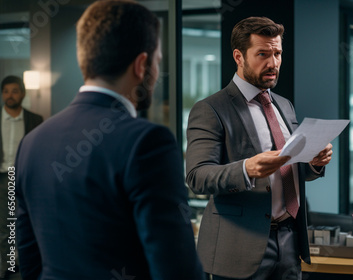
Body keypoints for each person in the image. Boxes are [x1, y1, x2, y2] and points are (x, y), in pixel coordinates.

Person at [14, 1, 204, 279]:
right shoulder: (148, 142)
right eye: (157, 61)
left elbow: (28, 255)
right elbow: (176, 268)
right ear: (141, 65)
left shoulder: (32, 142)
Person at [186, 16, 333, 279]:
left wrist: (314, 162)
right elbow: (197, 177)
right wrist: (247, 169)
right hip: (239, 248)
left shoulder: (285, 105)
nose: (273, 63)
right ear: (239, 56)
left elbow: (291, 168)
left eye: (277, 53)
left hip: (290, 240)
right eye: (263, 54)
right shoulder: (210, 109)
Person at [0, 75, 43, 279]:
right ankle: (9, 266)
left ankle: (24, 266)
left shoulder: (35, 120)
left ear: (23, 93)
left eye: (14, 91)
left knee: (24, 224)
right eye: (6, 91)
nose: (10, 96)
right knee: (5, 224)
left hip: (24, 177)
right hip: (1, 178)